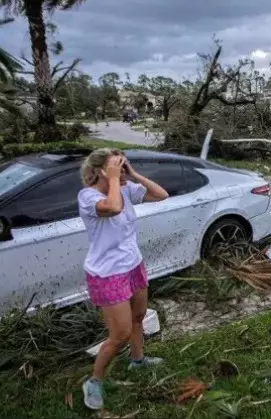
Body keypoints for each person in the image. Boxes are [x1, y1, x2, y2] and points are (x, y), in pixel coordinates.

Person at [78, 148, 169, 410]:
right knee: (119, 335)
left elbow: (161, 194)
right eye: (116, 166)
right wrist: (116, 179)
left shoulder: (126, 189)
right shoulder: (88, 197)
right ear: (100, 172)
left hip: (133, 264)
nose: (122, 169)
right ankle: (94, 381)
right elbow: (113, 207)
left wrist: (132, 173)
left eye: (122, 164)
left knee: (139, 317)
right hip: (107, 273)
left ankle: (137, 360)